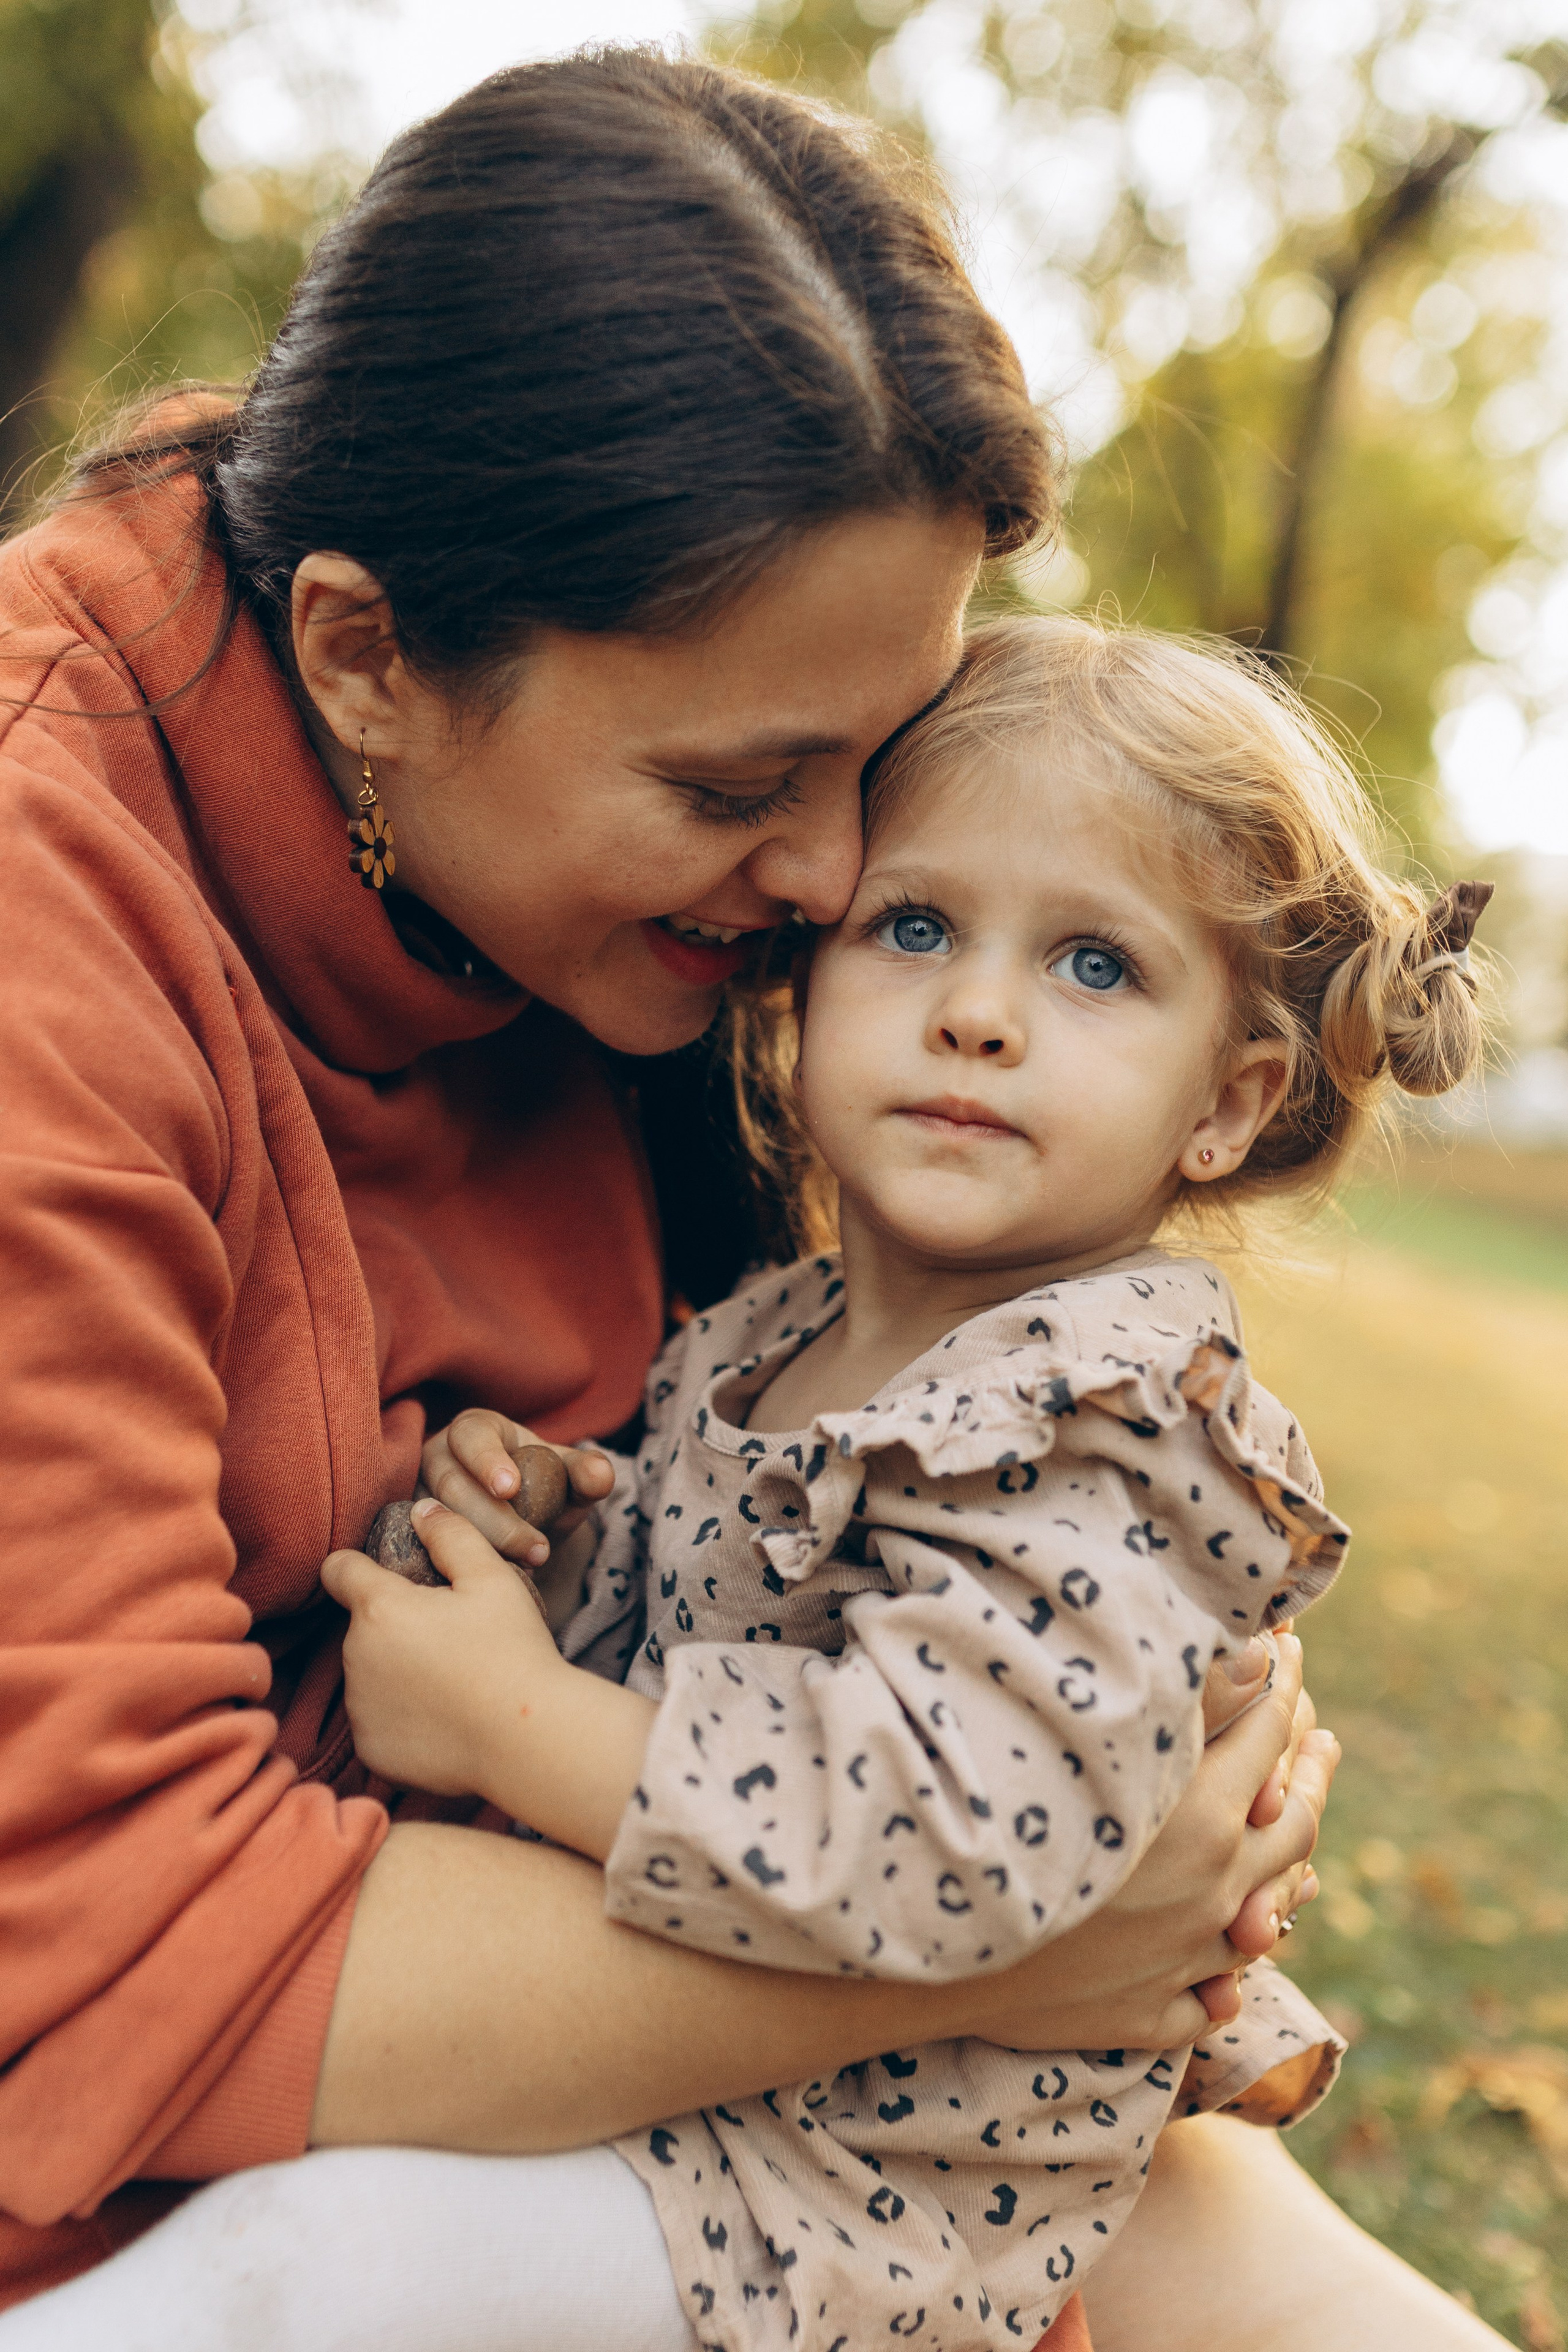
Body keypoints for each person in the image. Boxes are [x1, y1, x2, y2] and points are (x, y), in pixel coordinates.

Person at [0, 45, 1496, 2352]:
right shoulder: (56, 928)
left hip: (744, 2094)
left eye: (873, 766)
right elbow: (101, 1964)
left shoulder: (600, 903)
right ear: (364, 655)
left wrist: (1142, 1802)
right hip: (278, 2145)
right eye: (740, 787)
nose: (827, 888)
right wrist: (1023, 1956)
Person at [312, 614, 1488, 2352]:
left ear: (1229, 1103)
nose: (979, 1015)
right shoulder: (771, 1335)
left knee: (312, 2264)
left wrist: (504, 1723)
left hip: (878, 2191)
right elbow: (703, 1631)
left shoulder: (1104, 1426)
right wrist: (549, 1541)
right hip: (727, 2090)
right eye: (916, 927)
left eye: (1097, 966)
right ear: (802, 988)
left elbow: (924, 1835)